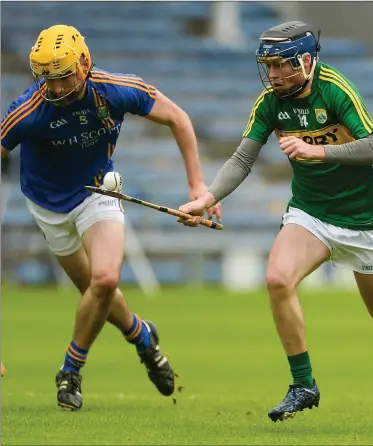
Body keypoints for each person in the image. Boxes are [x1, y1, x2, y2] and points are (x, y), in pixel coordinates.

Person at [177, 21, 373, 428]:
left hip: (362, 221)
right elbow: (241, 160)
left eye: (280, 66)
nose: (272, 75)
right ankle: (303, 383)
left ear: (306, 61)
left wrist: (316, 152)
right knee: (277, 280)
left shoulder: (335, 89)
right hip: (310, 214)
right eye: (268, 67)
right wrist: (206, 200)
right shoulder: (270, 102)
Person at [1, 24, 221, 411]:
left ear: (84, 64)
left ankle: (71, 370)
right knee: (96, 292)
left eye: (63, 78)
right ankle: (142, 337)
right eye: (47, 81)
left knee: (104, 280)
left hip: (97, 192)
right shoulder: (27, 112)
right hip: (48, 207)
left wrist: (197, 188)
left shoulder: (116, 89)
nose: (54, 90)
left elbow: (179, 119)